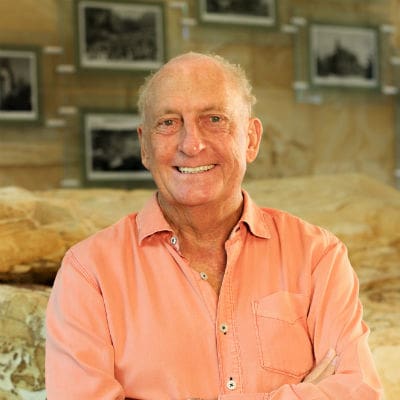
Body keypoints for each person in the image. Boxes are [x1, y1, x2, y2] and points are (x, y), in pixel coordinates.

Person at [45, 52, 383, 399]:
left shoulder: (317, 256)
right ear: (144, 146)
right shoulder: (89, 273)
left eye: (214, 119)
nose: (191, 144)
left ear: (251, 138)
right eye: (168, 123)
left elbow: (359, 392)